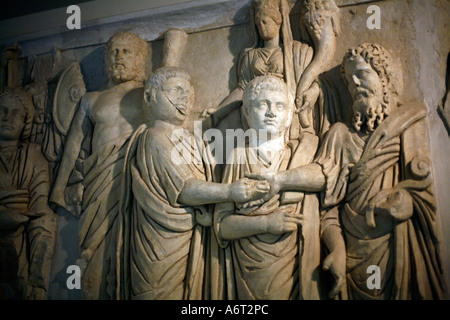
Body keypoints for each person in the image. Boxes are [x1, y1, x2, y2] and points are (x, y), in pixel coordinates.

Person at [244, 44, 447, 300]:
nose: (355, 85)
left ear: (385, 78)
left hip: (399, 247)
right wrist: (337, 249)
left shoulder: (410, 124)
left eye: (362, 75)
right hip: (352, 256)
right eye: (350, 83)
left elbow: (423, 189)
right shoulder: (340, 136)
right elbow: (328, 202)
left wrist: (408, 201)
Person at [118, 67, 270, 300]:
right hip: (160, 244)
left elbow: (205, 170)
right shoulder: (154, 138)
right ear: (150, 97)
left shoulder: (189, 138)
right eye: (176, 91)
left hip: (191, 236)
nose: (185, 98)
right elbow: (186, 189)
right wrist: (229, 191)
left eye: (188, 93)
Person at [50, 31, 148, 299]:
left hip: (133, 177)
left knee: (131, 243)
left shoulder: (148, 93)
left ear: (140, 58)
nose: (119, 57)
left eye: (126, 52)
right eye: (114, 52)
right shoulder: (91, 99)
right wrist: (58, 188)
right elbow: (73, 145)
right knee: (92, 246)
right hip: (98, 179)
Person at [213, 75, 325, 300]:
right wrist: (265, 223)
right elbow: (222, 225)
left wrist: (281, 179)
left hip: (295, 264)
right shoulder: (238, 156)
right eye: (262, 105)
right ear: (246, 112)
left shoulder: (303, 153)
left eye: (279, 106)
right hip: (247, 269)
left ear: (288, 117)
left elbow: (324, 177)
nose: (271, 112)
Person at [0, 88, 57, 299]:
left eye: (17, 113)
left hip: (20, 243)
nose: (8, 118)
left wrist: (37, 279)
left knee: (46, 222)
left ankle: (33, 287)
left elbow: (39, 210)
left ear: (26, 122)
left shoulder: (34, 157)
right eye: (3, 111)